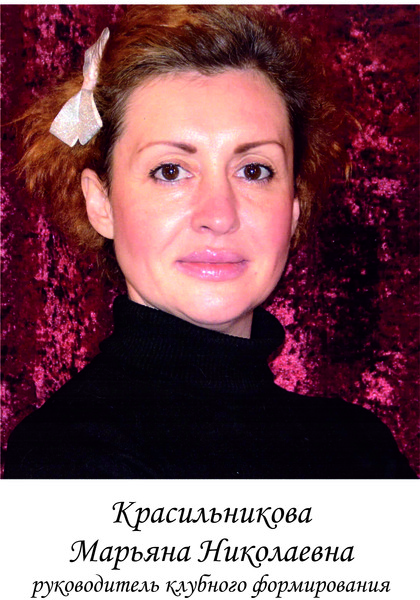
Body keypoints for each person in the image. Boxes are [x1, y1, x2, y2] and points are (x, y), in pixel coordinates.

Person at [4, 5, 416, 478]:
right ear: (102, 204)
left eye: (254, 171)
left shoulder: (360, 447)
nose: (219, 216)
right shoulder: (65, 456)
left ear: (293, 207)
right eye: (170, 171)